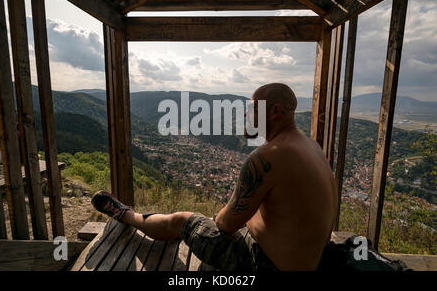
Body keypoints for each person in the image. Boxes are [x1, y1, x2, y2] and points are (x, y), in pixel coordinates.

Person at [92, 83, 337, 271]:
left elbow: (225, 224)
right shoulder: (313, 147)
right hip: (311, 260)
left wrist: (220, 216)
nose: (246, 115)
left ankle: (127, 215)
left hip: (266, 264)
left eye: (252, 108)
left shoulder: (266, 159)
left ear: (275, 111)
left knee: (182, 220)